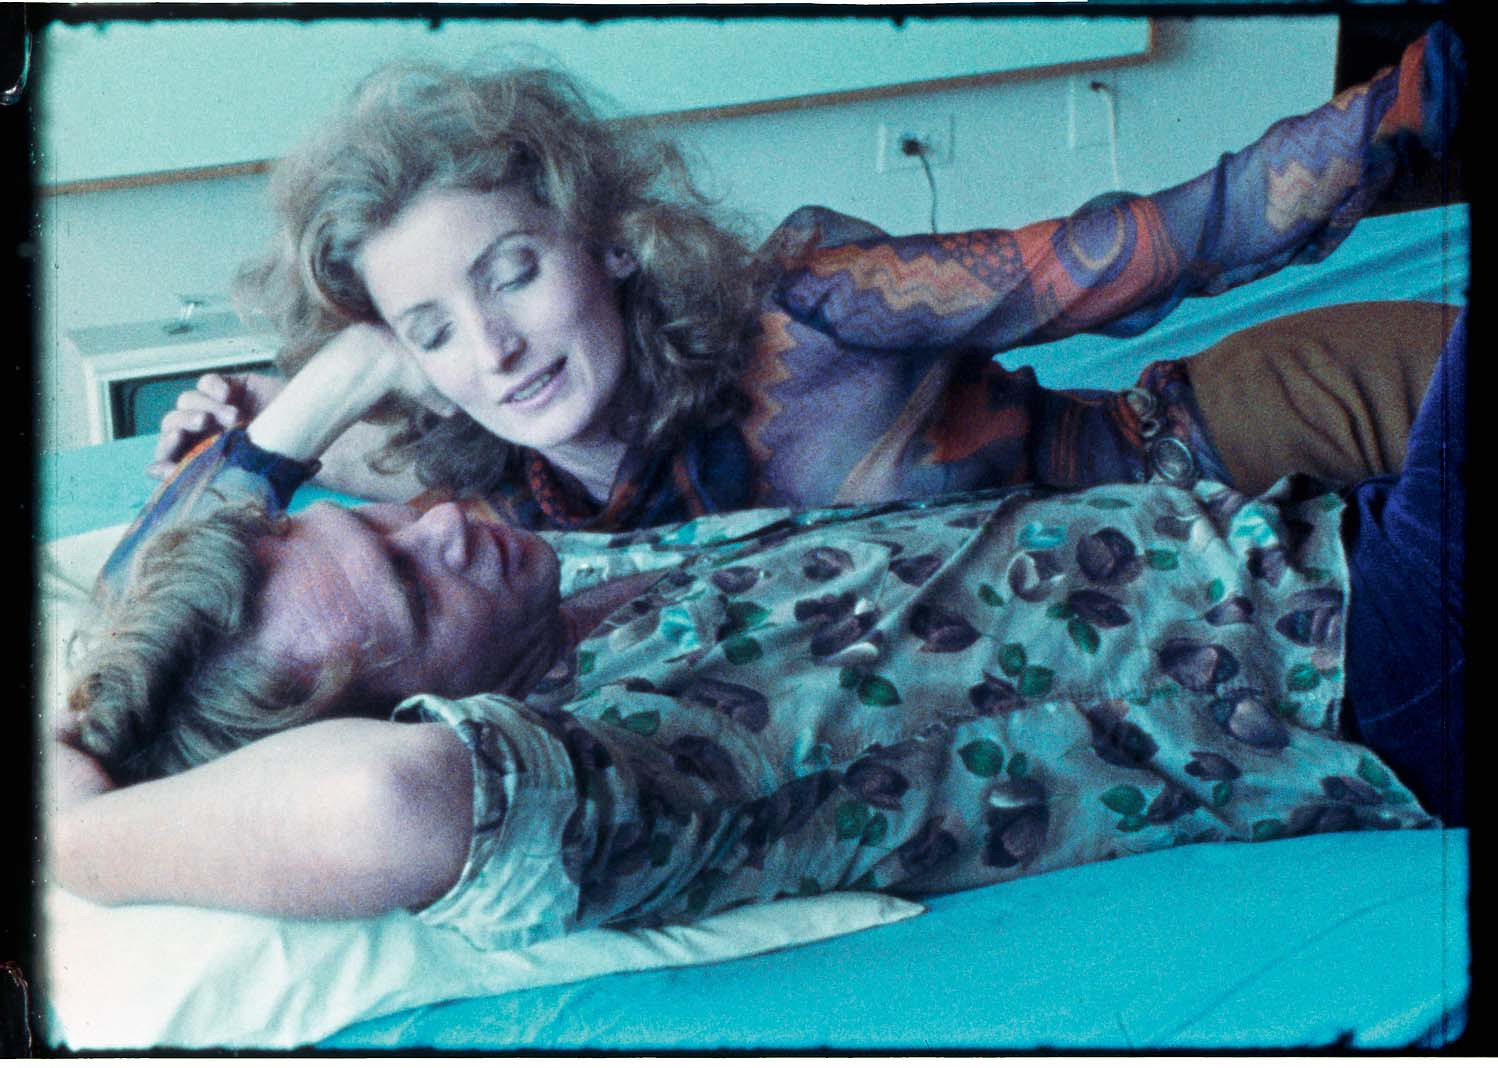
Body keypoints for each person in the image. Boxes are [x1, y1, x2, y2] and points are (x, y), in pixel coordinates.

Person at [49, 308, 1464, 946]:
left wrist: (324, 392)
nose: (443, 528)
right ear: (409, 709)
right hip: (1369, 671)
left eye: (381, 525)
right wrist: (70, 836)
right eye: (416, 595)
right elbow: (383, 802)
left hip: (1321, 537)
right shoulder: (594, 784)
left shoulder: (559, 578)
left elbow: (166, 572)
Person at [149, 26, 1464, 533]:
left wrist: (1421, 95)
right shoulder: (496, 489)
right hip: (1230, 609)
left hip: (1242, 440)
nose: (492, 349)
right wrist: (296, 408)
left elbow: (1155, 245)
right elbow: (145, 647)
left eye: (512, 274)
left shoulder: (811, 306)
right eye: (432, 329)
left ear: (607, 239)